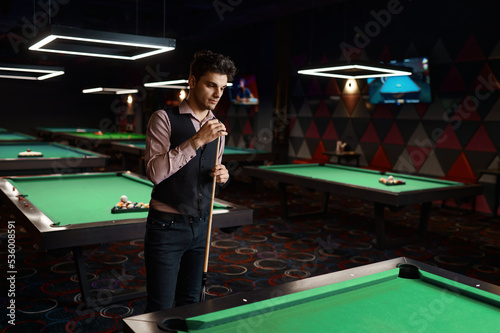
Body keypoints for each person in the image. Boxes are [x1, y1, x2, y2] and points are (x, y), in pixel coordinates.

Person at [144, 50, 237, 312]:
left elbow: (208, 172)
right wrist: (196, 141)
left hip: (202, 229)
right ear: (193, 82)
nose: (218, 94)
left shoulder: (217, 127)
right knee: (160, 307)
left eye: (222, 87)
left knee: (191, 305)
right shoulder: (163, 119)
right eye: (211, 85)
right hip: (166, 228)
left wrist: (223, 175)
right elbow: (154, 172)